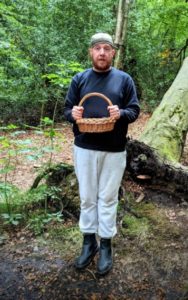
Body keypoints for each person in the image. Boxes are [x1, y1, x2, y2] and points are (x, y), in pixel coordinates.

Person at [64, 32, 140, 275]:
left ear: (113, 53)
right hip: (84, 148)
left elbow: (134, 110)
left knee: (108, 199)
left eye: (107, 48)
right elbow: (68, 110)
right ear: (91, 52)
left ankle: (105, 244)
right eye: (97, 48)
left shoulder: (124, 80)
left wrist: (121, 113)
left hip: (114, 149)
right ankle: (89, 243)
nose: (102, 53)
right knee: (87, 198)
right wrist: (72, 115)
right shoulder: (79, 79)